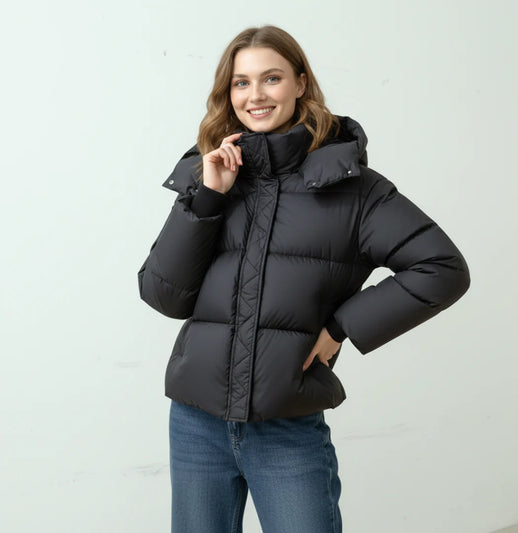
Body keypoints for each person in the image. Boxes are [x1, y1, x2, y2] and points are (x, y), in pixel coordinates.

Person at [137, 24, 470, 533]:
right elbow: (163, 295)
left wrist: (341, 327)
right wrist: (207, 199)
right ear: (228, 93)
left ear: (300, 83)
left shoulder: (353, 188)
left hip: (286, 428)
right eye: (241, 82)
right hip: (195, 424)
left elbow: (442, 267)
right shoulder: (208, 176)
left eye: (271, 78)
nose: (255, 95)